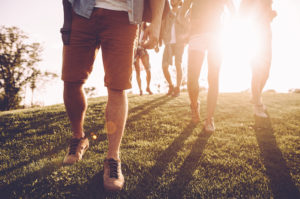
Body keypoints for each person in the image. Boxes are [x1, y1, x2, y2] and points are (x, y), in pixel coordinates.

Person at [60, 0, 165, 191]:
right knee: (71, 80)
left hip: (124, 15)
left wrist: (156, 23)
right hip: (82, 11)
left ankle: (112, 157)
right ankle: (79, 138)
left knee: (118, 86)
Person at [180, 0, 235, 131]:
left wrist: (226, 27)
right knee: (192, 78)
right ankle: (194, 105)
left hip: (217, 36)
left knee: (213, 77)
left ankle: (209, 118)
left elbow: (233, 11)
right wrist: (188, 28)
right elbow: (181, 14)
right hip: (196, 35)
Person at [239, 0, 277, 118]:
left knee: (266, 73)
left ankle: (255, 96)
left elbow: (268, 14)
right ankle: (257, 106)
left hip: (266, 34)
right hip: (253, 34)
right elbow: (242, 15)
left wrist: (271, 14)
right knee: (257, 71)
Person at [160, 0, 189, 97]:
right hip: (168, 42)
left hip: (179, 42)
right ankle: (171, 85)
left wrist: (186, 40)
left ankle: (178, 88)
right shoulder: (167, 12)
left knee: (178, 63)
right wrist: (159, 40)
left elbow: (188, 26)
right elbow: (162, 26)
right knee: (164, 66)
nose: (172, 0)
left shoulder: (183, 11)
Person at [134, 22, 153, 96]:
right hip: (135, 50)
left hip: (143, 49)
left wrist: (146, 44)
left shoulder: (147, 28)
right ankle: (140, 90)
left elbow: (151, 38)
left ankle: (148, 87)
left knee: (148, 69)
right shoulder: (135, 26)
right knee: (137, 71)